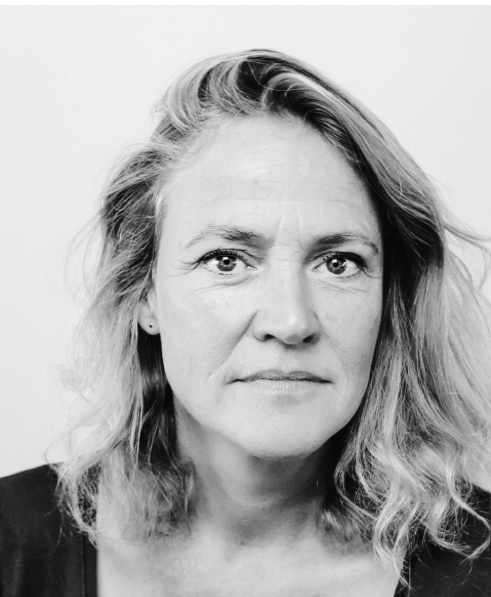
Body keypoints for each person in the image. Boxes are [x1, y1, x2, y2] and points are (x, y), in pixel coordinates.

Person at [1, 49, 491, 597]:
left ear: (389, 301)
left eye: (339, 263)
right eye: (226, 260)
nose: (291, 321)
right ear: (144, 293)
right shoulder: (11, 540)